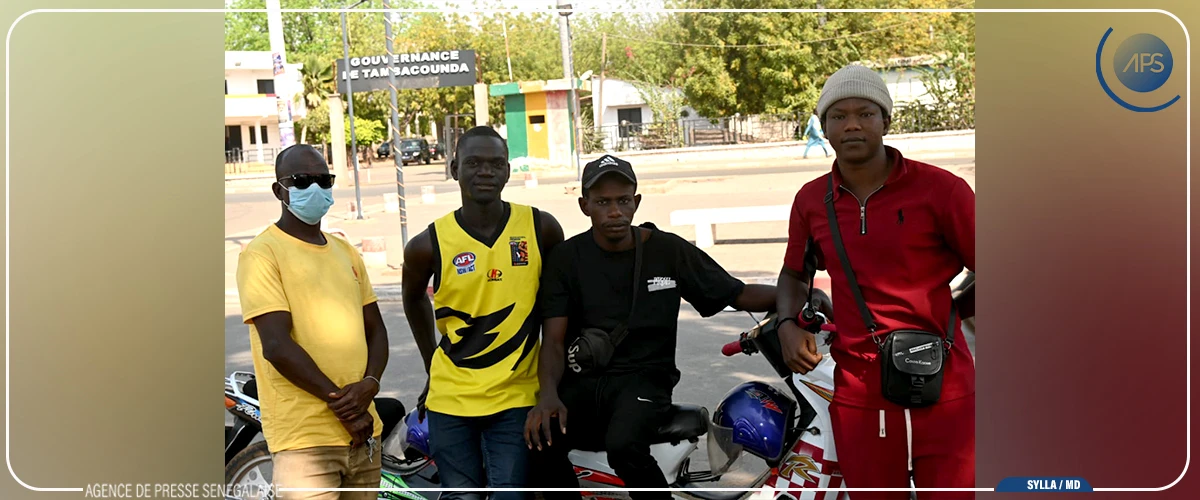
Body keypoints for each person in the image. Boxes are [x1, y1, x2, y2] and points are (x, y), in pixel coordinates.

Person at [774, 63, 976, 498]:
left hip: (946, 386)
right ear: (823, 127)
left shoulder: (941, 190)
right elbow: (794, 273)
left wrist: (954, 313)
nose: (851, 124)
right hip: (860, 393)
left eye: (865, 113)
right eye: (837, 115)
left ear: (886, 120)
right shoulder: (812, 200)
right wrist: (786, 324)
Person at [525, 154, 777, 500]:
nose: (614, 211)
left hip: (644, 379)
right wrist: (548, 396)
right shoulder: (566, 259)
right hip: (584, 380)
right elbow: (552, 340)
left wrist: (797, 298)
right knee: (541, 438)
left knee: (624, 444)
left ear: (636, 202)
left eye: (623, 201)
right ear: (585, 206)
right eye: (602, 202)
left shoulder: (667, 251)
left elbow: (737, 292)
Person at [401, 126, 564, 500]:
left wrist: (554, 383)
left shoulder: (541, 228)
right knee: (463, 497)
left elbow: (561, 307)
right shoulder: (428, 244)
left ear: (508, 171)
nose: (485, 171)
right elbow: (413, 299)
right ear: (455, 167)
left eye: (496, 163)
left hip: (517, 395)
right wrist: (432, 364)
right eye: (474, 163)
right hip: (451, 399)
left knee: (512, 496)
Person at [236, 144, 389, 500]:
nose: (315, 190)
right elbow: (277, 346)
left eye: (324, 180)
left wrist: (370, 384)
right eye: (302, 181)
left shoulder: (346, 252)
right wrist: (345, 406)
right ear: (280, 190)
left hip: (364, 434)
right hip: (304, 443)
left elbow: (377, 330)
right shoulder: (262, 254)